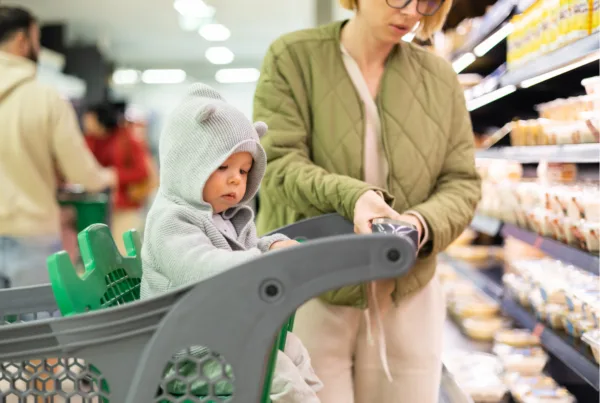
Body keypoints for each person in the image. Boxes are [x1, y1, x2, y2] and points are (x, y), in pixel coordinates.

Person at [253, 0, 482, 402]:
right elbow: (278, 163)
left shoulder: (439, 78)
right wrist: (354, 198)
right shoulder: (293, 57)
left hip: (406, 291)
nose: (412, 11)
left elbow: (461, 182)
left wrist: (419, 225)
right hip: (312, 287)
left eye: (427, 0)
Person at [139, 83, 322, 402]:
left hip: (221, 338)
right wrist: (263, 263)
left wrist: (272, 247)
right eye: (223, 166)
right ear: (187, 163)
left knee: (292, 347)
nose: (237, 179)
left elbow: (251, 248)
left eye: (244, 169)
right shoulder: (171, 221)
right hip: (183, 356)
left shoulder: (226, 217)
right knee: (273, 372)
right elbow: (202, 268)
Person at [0, 6, 115, 288]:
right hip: (31, 235)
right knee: (35, 326)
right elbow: (81, 173)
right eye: (37, 39)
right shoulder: (46, 99)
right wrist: (106, 177)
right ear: (21, 41)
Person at [83, 103, 153, 253]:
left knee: (124, 249)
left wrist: (115, 175)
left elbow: (142, 172)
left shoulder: (127, 140)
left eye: (90, 119)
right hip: (96, 205)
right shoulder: (90, 140)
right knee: (98, 252)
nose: (86, 123)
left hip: (125, 204)